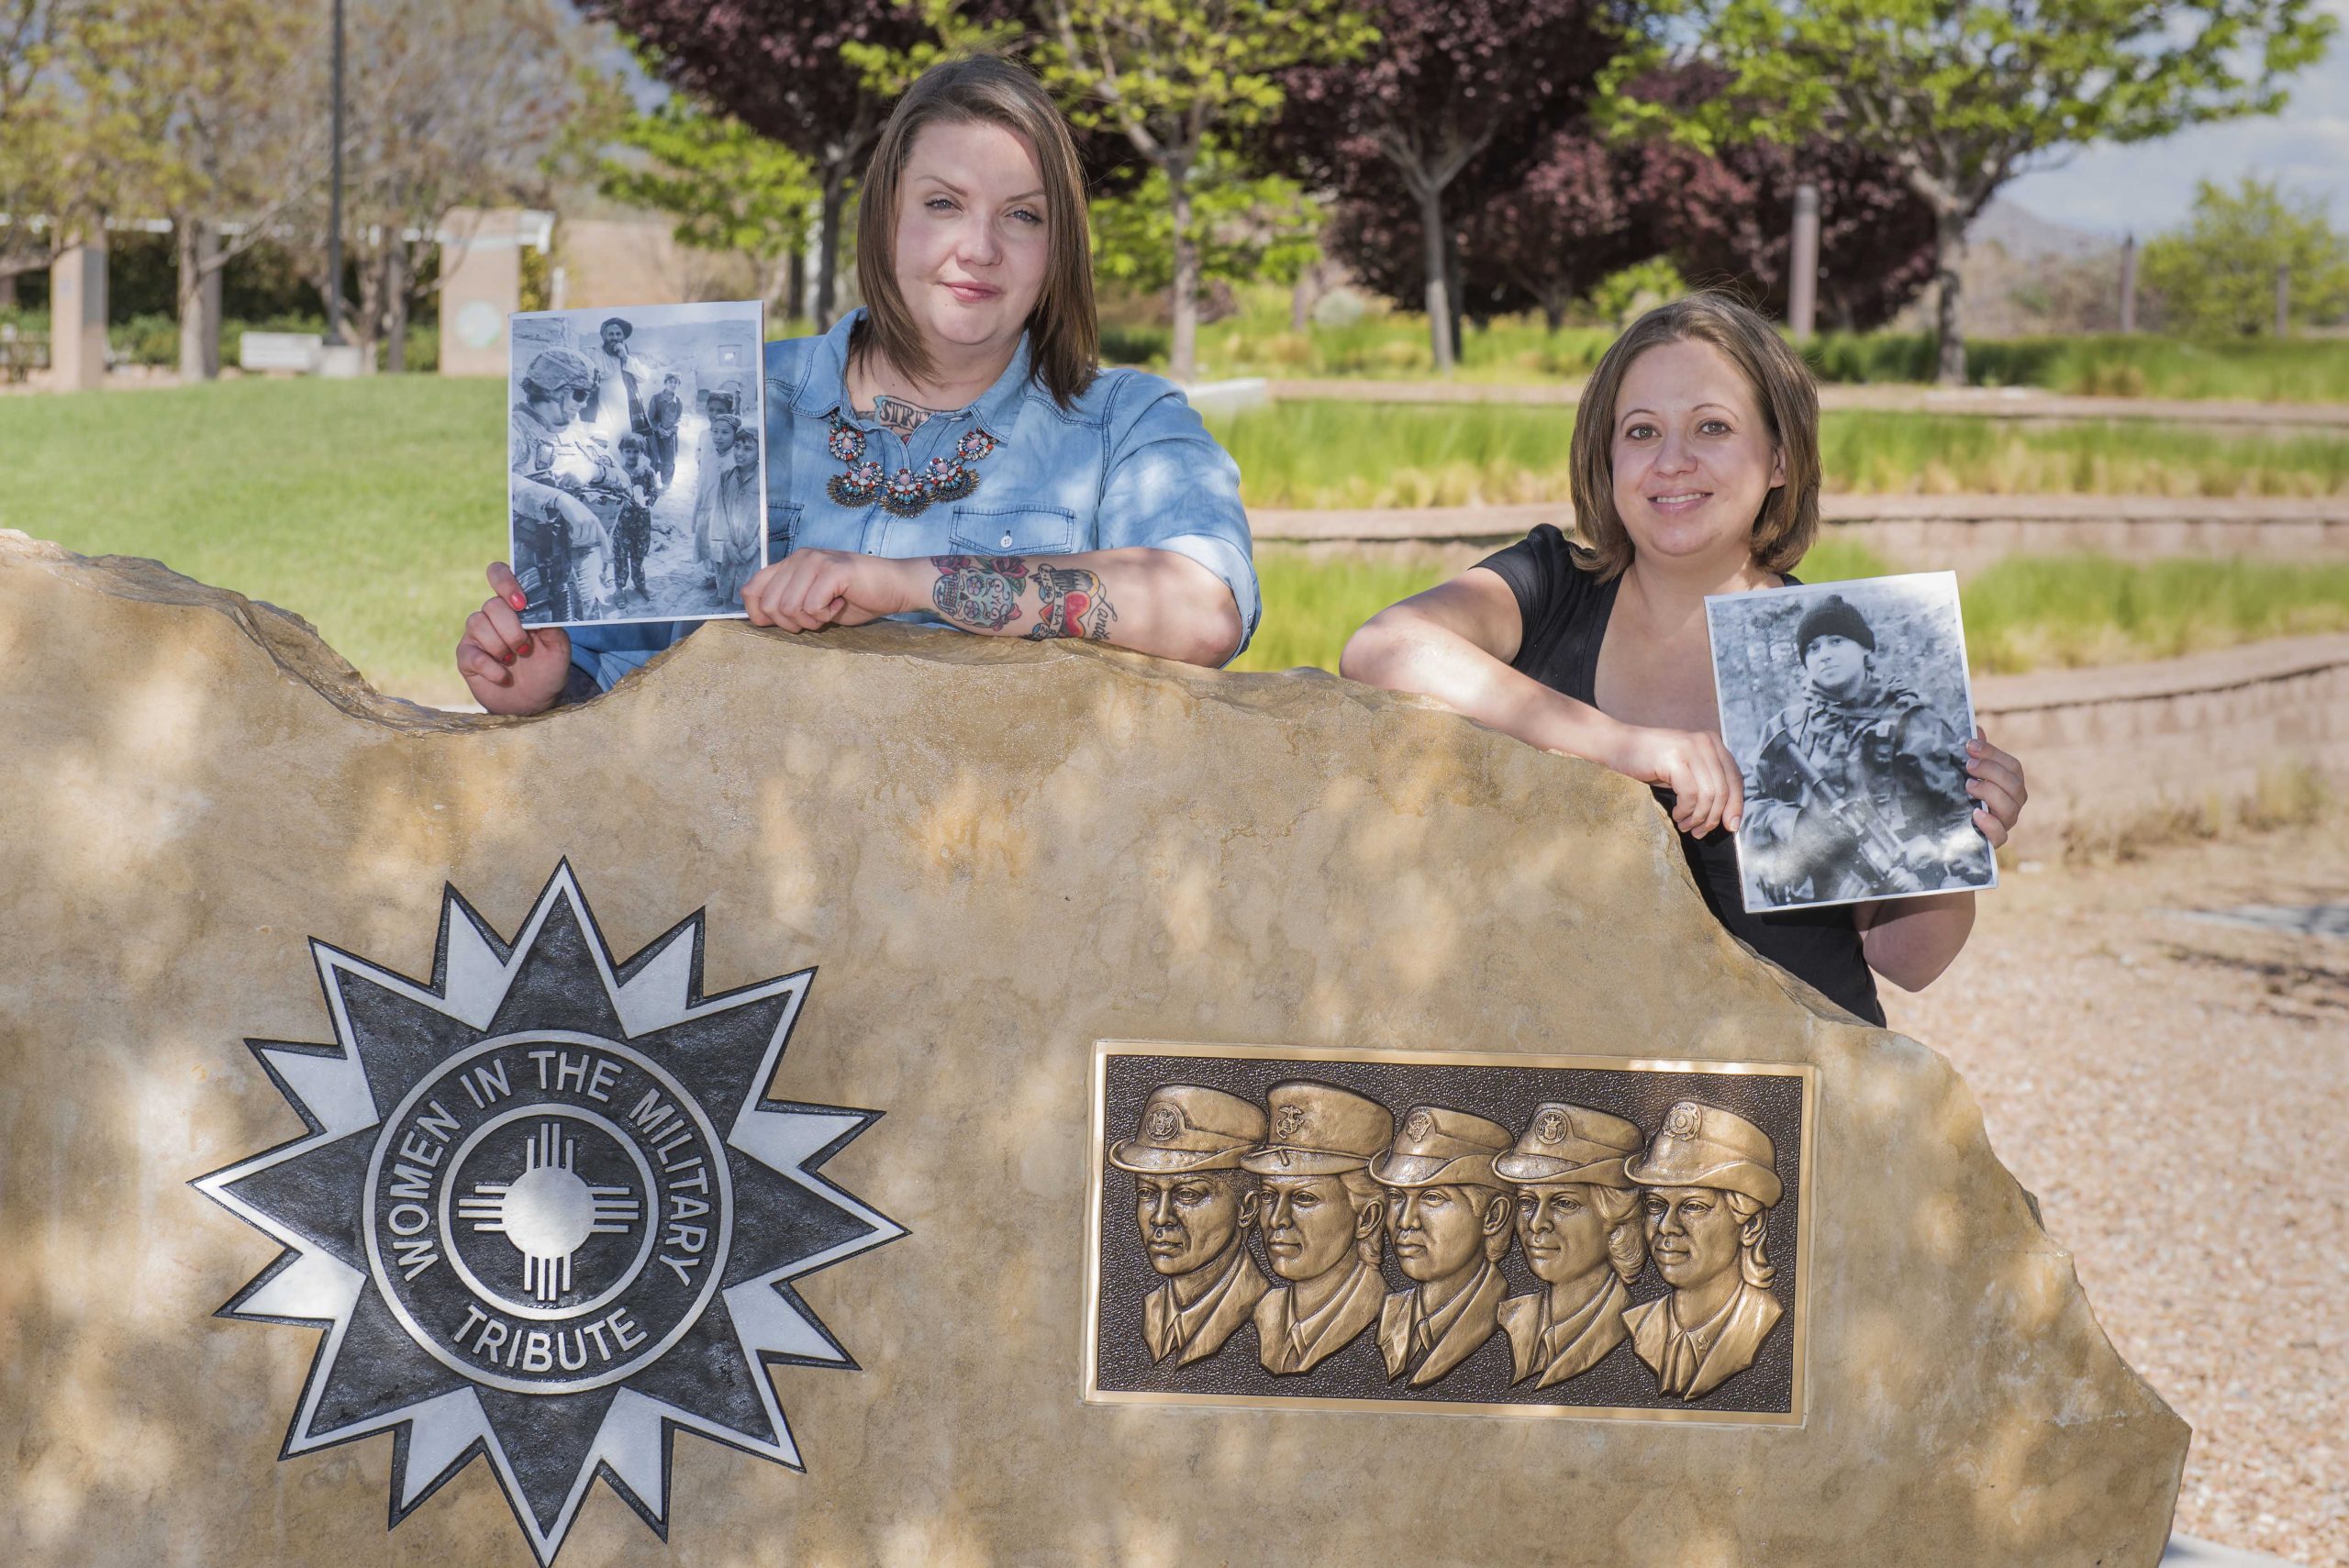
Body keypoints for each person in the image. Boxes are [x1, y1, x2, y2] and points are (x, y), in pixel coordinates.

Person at [457, 55, 1258, 711]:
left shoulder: (1123, 421)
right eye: (943, 203)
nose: (979, 247)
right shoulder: (734, 402)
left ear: (1061, 247)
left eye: (1023, 215)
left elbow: (1204, 610)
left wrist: (903, 582)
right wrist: (548, 680)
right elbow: (616, 692)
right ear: (885, 218)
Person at [1339, 294, 2028, 1025]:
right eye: (1642, 432)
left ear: (1780, 459)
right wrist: (1628, 747)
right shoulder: (1546, 586)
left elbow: (1910, 960)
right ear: (1607, 459)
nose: (1673, 462)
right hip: (1576, 1088)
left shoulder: (1838, 646)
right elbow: (1382, 648)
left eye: (1712, 427)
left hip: (1786, 1088)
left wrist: (1960, 834)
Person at [1742, 593, 1989, 905]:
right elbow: (1744, 801)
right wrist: (1794, 822)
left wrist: (1933, 848)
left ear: (1864, 648)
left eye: (1836, 641)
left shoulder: (1915, 723)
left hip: (1898, 900)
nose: (1824, 655)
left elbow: (1967, 814)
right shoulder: (1785, 729)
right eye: (1813, 648)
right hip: (1803, 909)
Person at [1621, 1100, 1785, 1400]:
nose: (1666, 1226)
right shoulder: (1638, 1325)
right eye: (1656, 1206)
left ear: (1750, 1226)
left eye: (1694, 1207)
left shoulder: (1762, 1320)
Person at [1106, 1084, 1269, 1367]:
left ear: (1247, 1209)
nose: (1160, 1216)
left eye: (1187, 1195)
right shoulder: (1139, 1312)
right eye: (1147, 1193)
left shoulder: (1265, 1318)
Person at [1241, 1081, 1392, 1375]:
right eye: (1270, 1196)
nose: (1276, 1219)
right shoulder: (1260, 1312)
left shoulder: (1387, 1320)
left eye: (1304, 1198)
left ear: (1366, 1218)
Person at [1493, 1103, 1647, 1389]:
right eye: (1528, 1202)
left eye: (1564, 1203)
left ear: (1616, 1219)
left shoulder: (1638, 1330)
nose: (1537, 1223)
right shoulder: (1507, 1318)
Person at [1370, 1105, 1513, 1387]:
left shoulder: (1511, 1321)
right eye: (1397, 1196)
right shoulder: (1387, 1313)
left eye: (1432, 1198)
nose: (1405, 1221)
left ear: (1493, 1216)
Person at [648, 373, 684, 488]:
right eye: (670, 382)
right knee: (654, 458)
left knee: (669, 459)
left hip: (670, 436)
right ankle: (651, 482)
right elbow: (651, 417)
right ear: (665, 383)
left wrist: (671, 430)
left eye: (675, 382)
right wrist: (659, 428)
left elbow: (679, 419)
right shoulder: (656, 398)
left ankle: (666, 483)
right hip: (656, 434)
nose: (673, 385)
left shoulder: (678, 401)